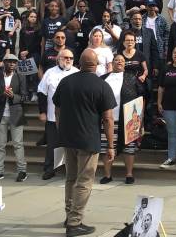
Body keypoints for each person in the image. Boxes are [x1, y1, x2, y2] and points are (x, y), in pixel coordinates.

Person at [53, 48, 116, 236]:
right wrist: (111, 145)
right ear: (96, 65)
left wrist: (60, 129)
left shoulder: (65, 82)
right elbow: (108, 119)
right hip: (88, 139)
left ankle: (69, 215)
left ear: (79, 63)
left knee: (71, 178)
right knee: (84, 181)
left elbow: (57, 110)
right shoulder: (102, 85)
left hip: (68, 137)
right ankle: (74, 222)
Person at [99, 54, 144, 184]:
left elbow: (141, 97)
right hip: (107, 119)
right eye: (116, 60)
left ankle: (129, 174)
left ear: (125, 64)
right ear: (112, 63)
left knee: (129, 148)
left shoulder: (132, 78)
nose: (119, 62)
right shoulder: (103, 79)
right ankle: (107, 175)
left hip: (129, 119)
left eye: (122, 60)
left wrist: (140, 120)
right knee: (107, 146)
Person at [37, 49, 79, 180]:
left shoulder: (77, 73)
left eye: (71, 58)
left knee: (72, 145)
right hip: (52, 116)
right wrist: (42, 112)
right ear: (58, 59)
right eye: (65, 57)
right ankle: (49, 169)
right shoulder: (50, 72)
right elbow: (42, 93)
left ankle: (72, 170)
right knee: (52, 144)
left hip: (72, 118)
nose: (68, 60)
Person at [0, 54, 27, 182]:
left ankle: (22, 171)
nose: (12, 64)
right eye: (9, 62)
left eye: (14, 62)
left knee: (18, 144)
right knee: (0, 145)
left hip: (16, 114)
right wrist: (2, 95)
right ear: (4, 62)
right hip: (0, 115)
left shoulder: (21, 77)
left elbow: (24, 97)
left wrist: (12, 96)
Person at [117, 10, 159, 89]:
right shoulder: (124, 33)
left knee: (148, 88)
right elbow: (120, 50)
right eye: (135, 19)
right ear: (131, 20)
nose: (138, 21)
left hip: (147, 66)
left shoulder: (149, 32)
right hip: (130, 67)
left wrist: (155, 66)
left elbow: (154, 50)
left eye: (140, 19)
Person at [19, 9, 42, 98]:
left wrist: (28, 51)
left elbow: (37, 43)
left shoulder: (38, 29)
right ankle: (25, 93)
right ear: (28, 18)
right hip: (23, 54)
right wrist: (22, 53)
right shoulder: (23, 29)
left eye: (35, 17)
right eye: (31, 17)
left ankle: (34, 92)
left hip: (34, 53)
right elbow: (21, 42)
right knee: (24, 75)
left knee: (33, 74)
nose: (33, 18)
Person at [143, 0, 169, 69]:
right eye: (150, 6)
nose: (152, 8)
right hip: (146, 47)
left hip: (159, 47)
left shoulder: (162, 19)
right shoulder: (142, 18)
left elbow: (166, 35)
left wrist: (166, 49)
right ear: (146, 7)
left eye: (153, 6)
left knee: (160, 70)